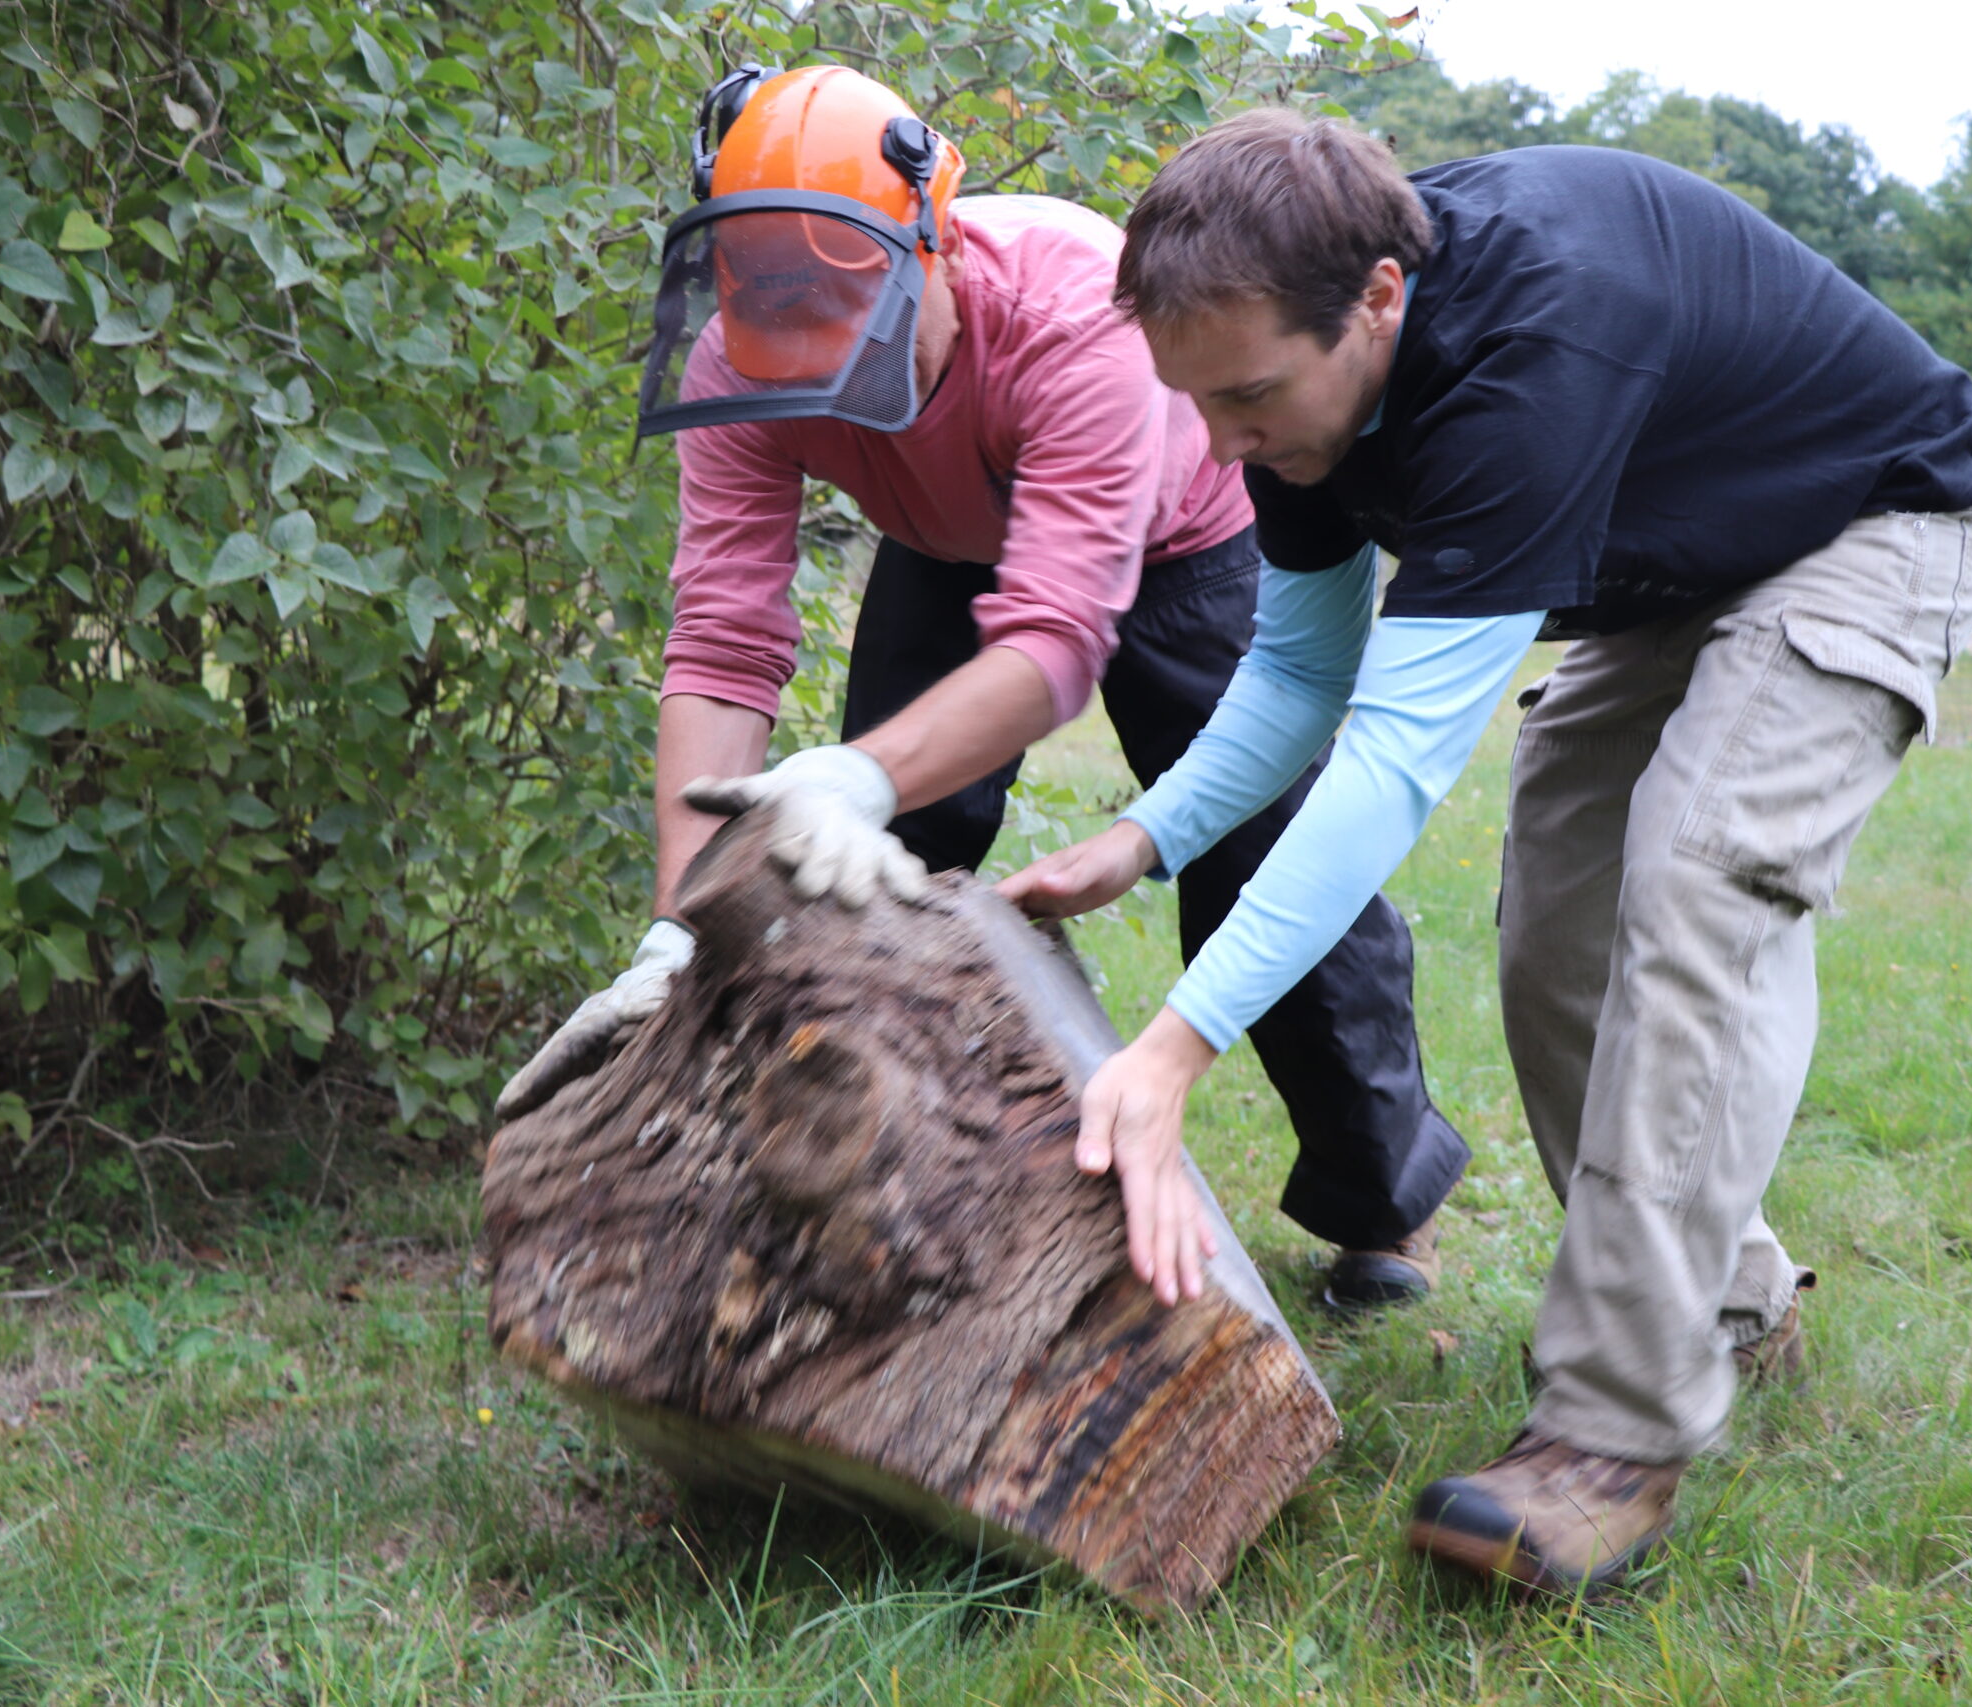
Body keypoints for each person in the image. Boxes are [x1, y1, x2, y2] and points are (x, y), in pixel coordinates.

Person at [1000, 110, 1972, 1594]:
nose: (1220, 443)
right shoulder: (1282, 379)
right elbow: (1293, 681)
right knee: (1555, 931)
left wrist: (1175, 1046)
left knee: (1694, 879)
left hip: (1868, 523)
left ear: (1383, 300)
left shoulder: (1534, 345)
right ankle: (1722, 1305)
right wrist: (1147, 836)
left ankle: (1611, 1434)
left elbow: (1395, 760)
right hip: (1671, 566)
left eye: (1250, 396)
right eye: (1195, 401)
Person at [496, 67, 1472, 1312]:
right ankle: (845, 1174)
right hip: (944, 544)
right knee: (862, 854)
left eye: (851, 336)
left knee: (1256, 848)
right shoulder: (737, 364)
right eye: (785, 339)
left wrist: (852, 767)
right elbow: (722, 644)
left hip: (1187, 532)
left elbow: (1055, 643)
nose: (825, 376)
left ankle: (1380, 1199)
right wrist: (678, 929)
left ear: (935, 243)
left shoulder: (1078, 318)